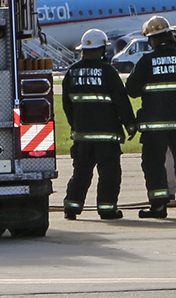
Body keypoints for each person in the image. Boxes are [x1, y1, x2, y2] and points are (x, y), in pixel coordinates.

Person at [125, 16, 176, 219]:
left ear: (152, 40)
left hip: (154, 125)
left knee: (154, 164)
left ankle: (158, 207)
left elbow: (131, 90)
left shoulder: (146, 61)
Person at [61, 29, 135, 220]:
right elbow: (121, 101)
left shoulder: (72, 72)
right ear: (102, 49)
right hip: (107, 136)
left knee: (81, 172)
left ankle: (71, 207)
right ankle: (107, 209)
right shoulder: (108, 72)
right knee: (109, 173)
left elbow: (67, 104)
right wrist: (130, 125)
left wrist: (75, 124)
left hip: (82, 136)